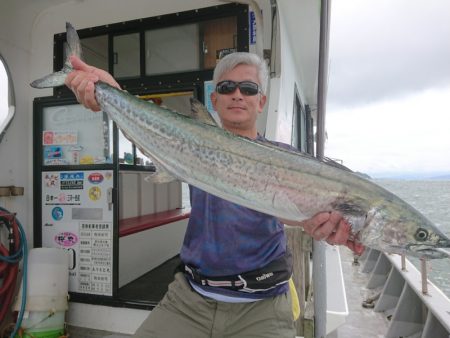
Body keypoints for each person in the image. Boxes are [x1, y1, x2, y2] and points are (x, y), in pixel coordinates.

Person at [65, 52, 364, 338]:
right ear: (214, 99)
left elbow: (296, 211)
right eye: (227, 87)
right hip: (189, 300)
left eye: (248, 88)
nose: (237, 94)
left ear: (261, 102)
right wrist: (108, 93)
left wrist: (325, 224)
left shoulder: (286, 159)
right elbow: (150, 135)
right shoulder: (193, 142)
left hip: (262, 307)